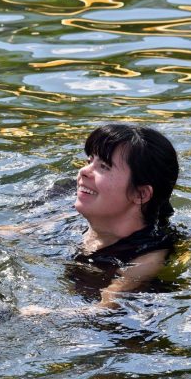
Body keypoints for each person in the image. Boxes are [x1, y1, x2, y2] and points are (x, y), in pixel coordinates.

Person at [22, 123, 180, 314]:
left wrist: (42, 314)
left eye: (104, 167)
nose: (84, 171)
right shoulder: (69, 220)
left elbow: (103, 311)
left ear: (140, 194)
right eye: (89, 161)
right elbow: (10, 234)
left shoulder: (146, 260)